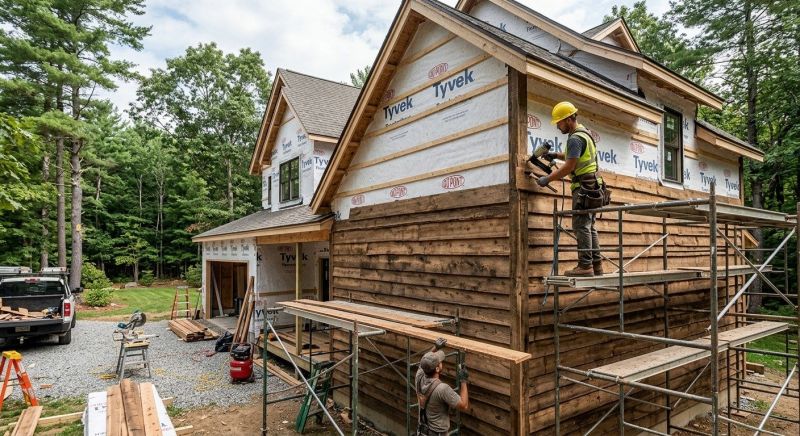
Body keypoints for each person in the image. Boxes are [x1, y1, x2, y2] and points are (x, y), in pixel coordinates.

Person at [536, 101, 604, 277]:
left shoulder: (574, 138)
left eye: (559, 122)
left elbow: (569, 167)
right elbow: (573, 155)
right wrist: (555, 155)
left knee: (581, 226)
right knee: (589, 226)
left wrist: (547, 179)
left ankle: (585, 266)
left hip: (582, 187)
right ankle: (597, 267)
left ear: (568, 119)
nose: (558, 127)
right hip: (593, 186)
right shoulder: (584, 134)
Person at [415, 338, 469, 436]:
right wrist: (463, 380)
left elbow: (423, 362)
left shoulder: (419, 376)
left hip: (422, 431)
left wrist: (435, 347)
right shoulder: (442, 389)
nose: (441, 362)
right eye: (440, 361)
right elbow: (464, 405)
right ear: (437, 368)